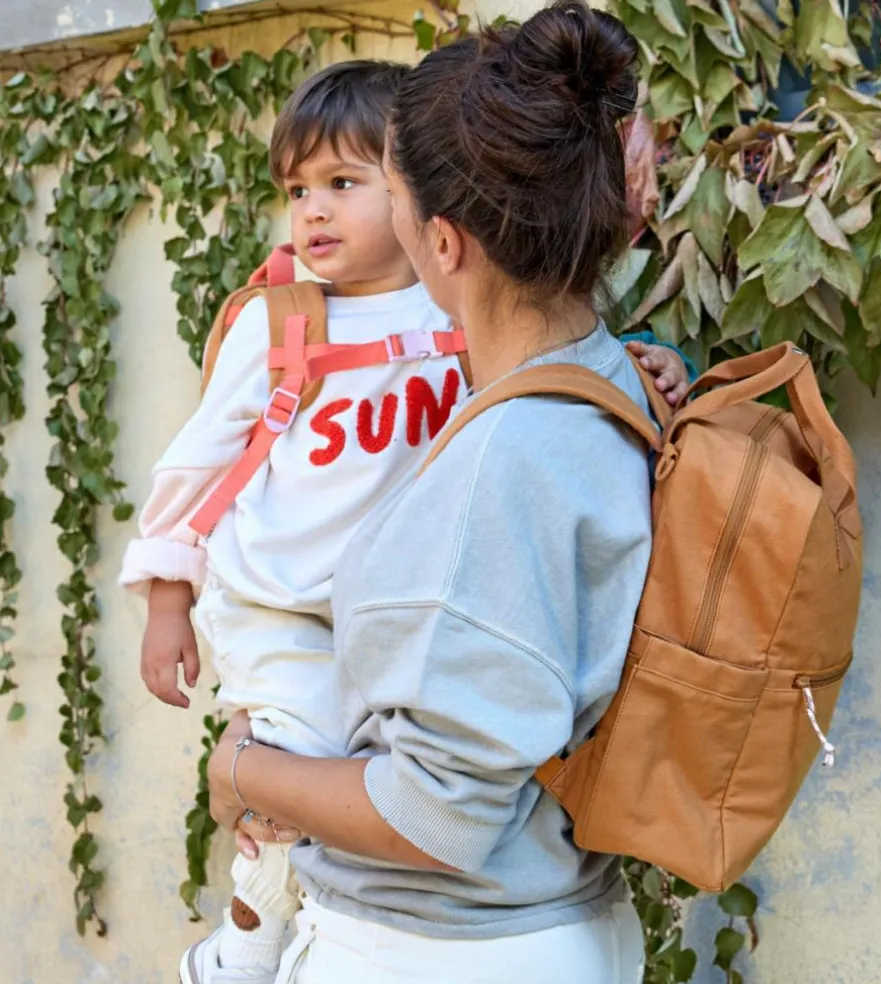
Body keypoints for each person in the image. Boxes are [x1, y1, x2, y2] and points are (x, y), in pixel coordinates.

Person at [121, 55, 685, 984]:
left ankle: (256, 931)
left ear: (441, 235)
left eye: (348, 183)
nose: (313, 211)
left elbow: (433, 813)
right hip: (286, 608)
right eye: (297, 191)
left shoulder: (477, 366)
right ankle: (252, 935)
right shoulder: (290, 325)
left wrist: (237, 773)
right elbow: (196, 465)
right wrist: (166, 596)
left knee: (289, 776)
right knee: (300, 765)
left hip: (443, 927)